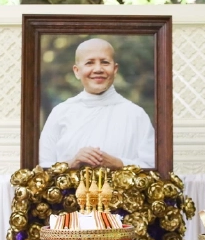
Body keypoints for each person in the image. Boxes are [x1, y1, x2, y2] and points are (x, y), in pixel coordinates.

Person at [39, 38, 156, 168]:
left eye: (105, 62)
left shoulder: (136, 115)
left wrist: (118, 164)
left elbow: (153, 168)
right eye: (89, 63)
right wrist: (72, 163)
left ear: (115, 69)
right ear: (77, 71)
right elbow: (42, 167)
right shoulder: (61, 112)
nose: (98, 69)